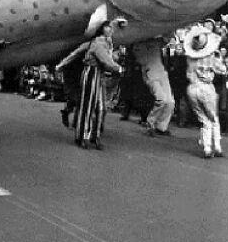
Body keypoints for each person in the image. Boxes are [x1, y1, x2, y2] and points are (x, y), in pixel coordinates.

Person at [74, 21, 123, 150]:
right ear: (101, 29)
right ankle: (83, 137)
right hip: (91, 73)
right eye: (107, 27)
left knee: (101, 108)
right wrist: (118, 68)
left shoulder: (108, 42)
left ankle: (95, 136)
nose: (110, 29)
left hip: (99, 75)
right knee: (88, 106)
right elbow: (105, 59)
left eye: (111, 27)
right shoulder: (98, 42)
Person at [183, 25, 227, 158]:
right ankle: (217, 146)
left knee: (203, 119)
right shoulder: (211, 57)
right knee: (213, 117)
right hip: (206, 88)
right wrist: (219, 59)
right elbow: (222, 70)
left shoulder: (190, 58)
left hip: (192, 88)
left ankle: (207, 147)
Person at [133, 37, 175, 137]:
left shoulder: (156, 41)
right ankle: (150, 124)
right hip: (150, 73)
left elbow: (168, 38)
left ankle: (161, 127)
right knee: (161, 99)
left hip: (162, 73)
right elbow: (141, 60)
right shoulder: (137, 45)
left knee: (170, 102)